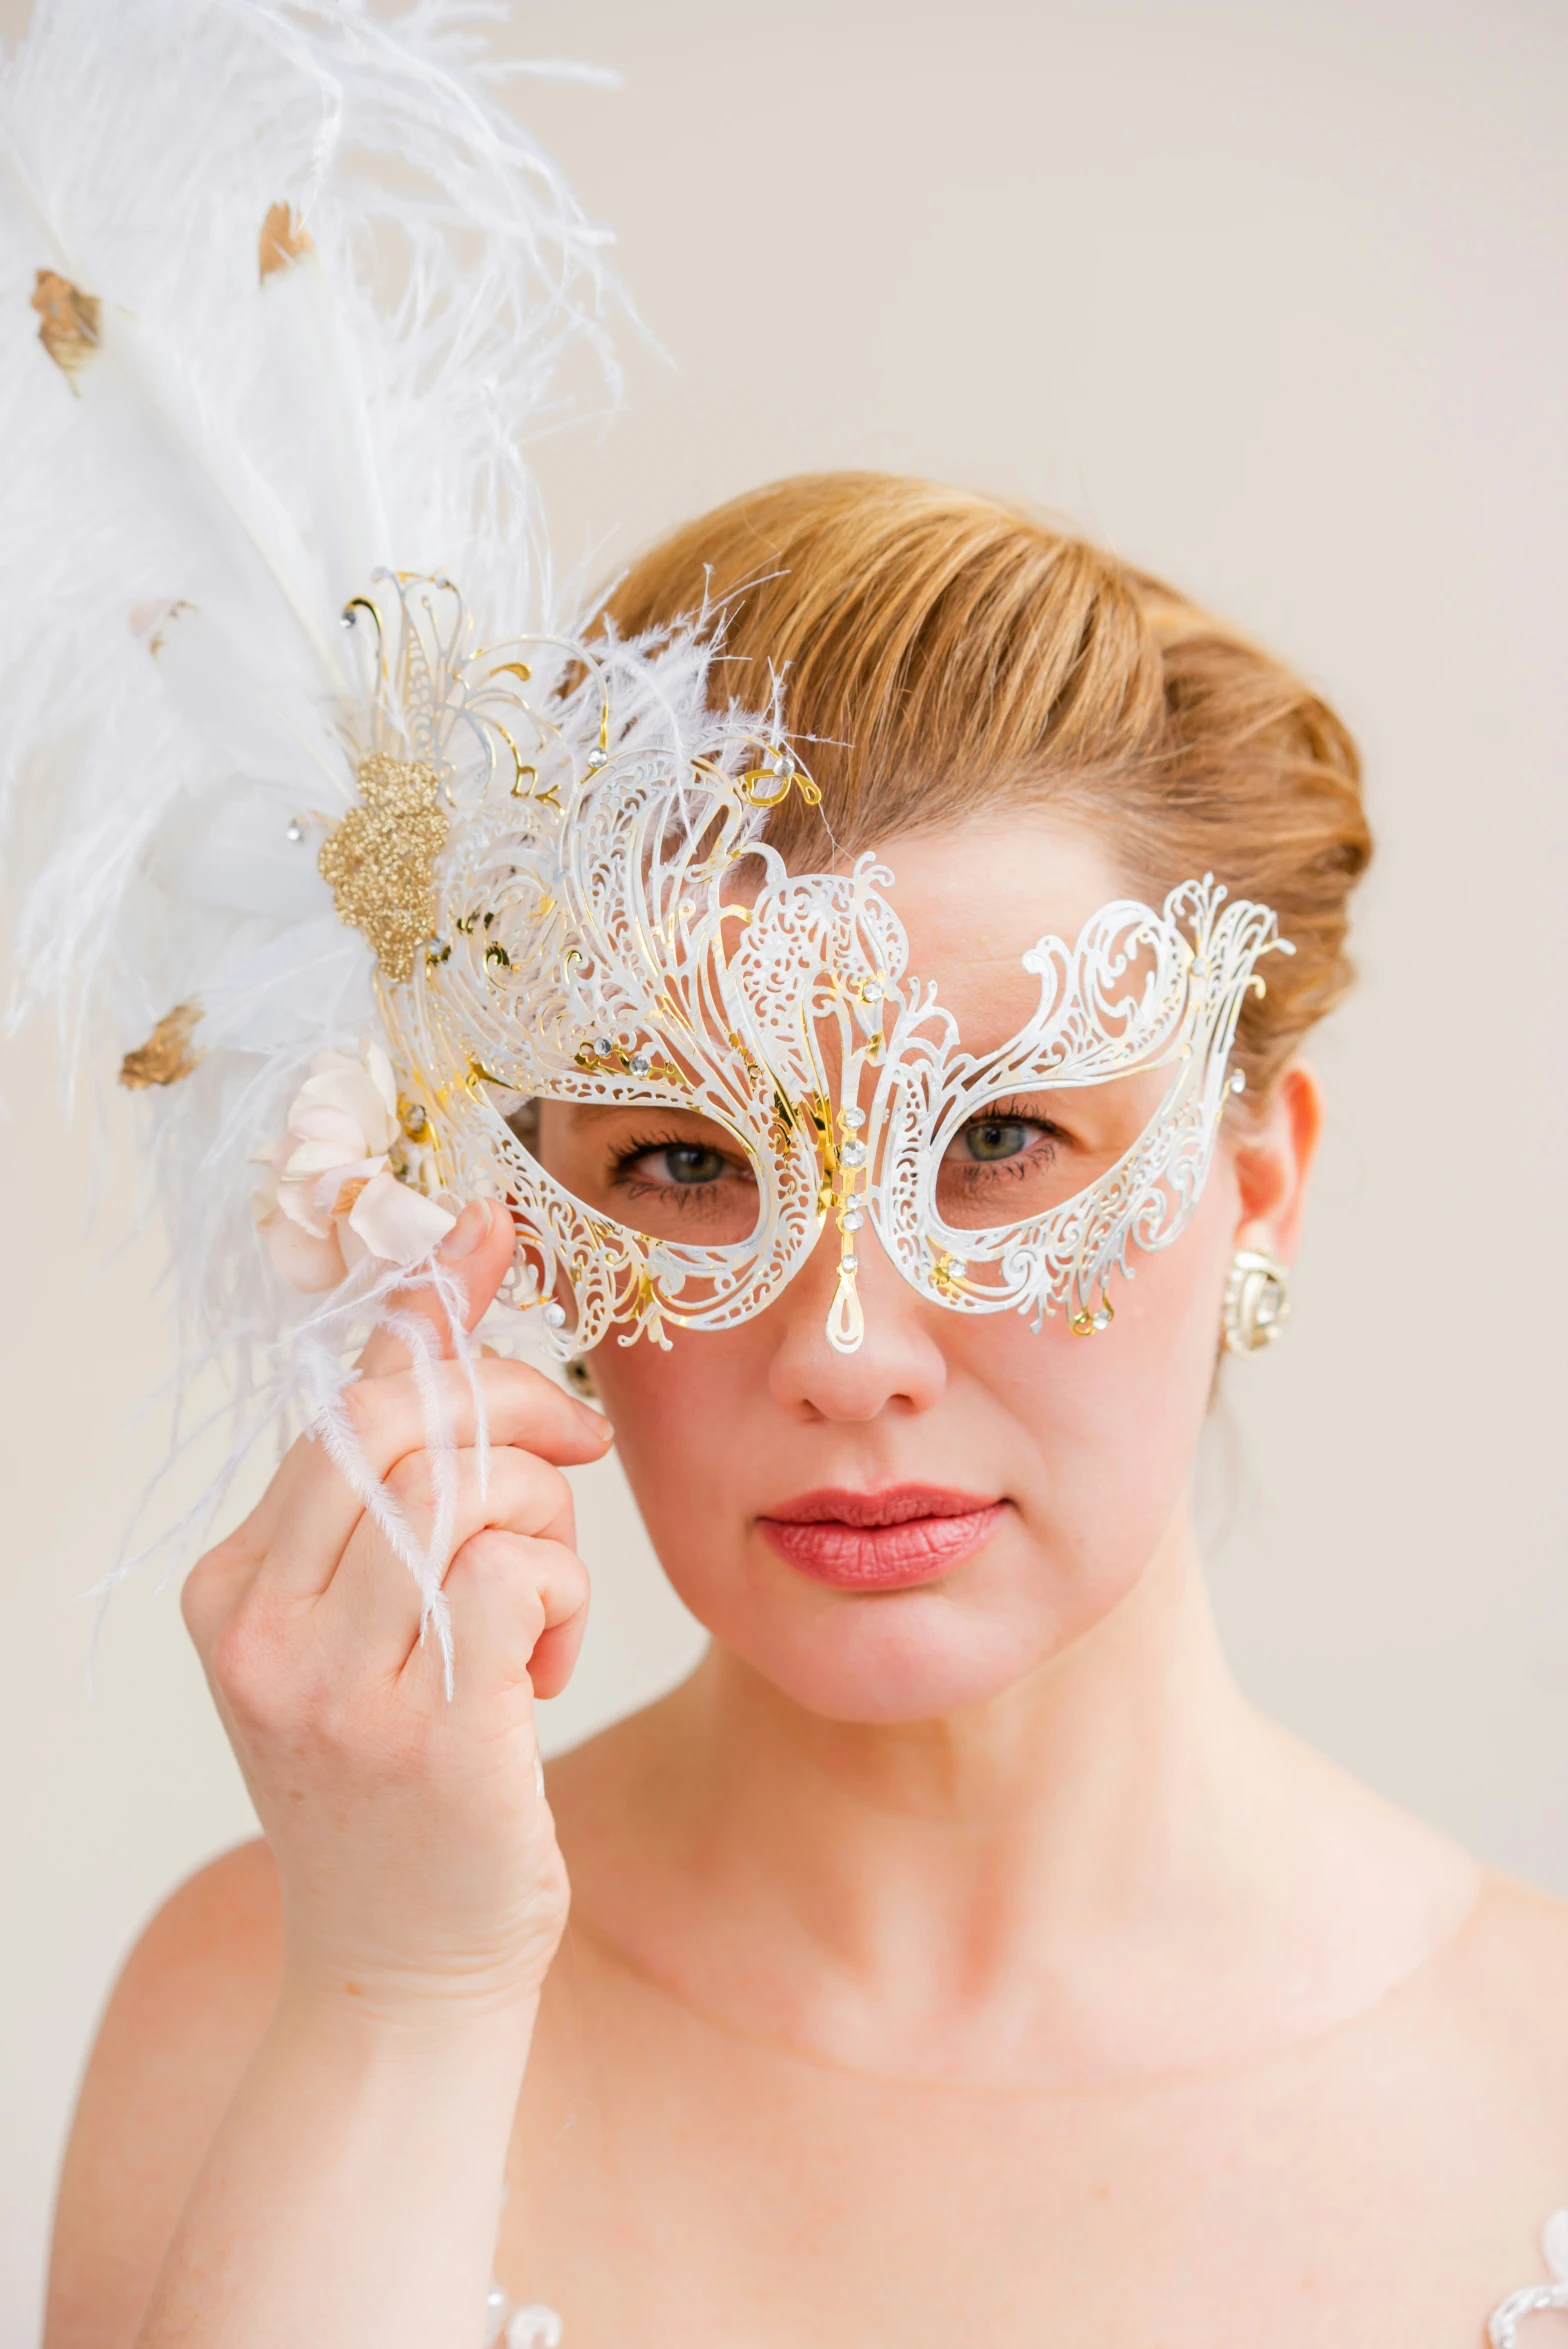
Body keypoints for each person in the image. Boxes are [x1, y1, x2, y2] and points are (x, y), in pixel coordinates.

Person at [40, 473, 1568, 2349]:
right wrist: (407, 2007)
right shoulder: (266, 2008)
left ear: (1257, 1185)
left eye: (1003, 1140)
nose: (845, 1352)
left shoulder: (1544, 2092)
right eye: (685, 1157)